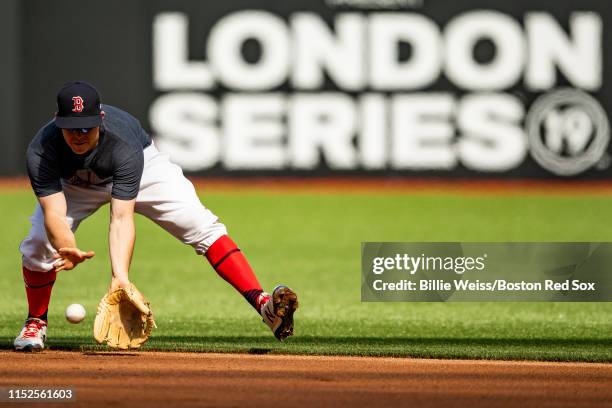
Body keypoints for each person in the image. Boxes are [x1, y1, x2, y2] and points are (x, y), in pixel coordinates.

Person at [14, 81, 298, 351]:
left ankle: (263, 305)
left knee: (202, 226)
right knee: (37, 243)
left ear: (100, 119)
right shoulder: (42, 151)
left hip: (144, 169)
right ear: (56, 120)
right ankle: (35, 322)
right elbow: (54, 212)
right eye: (71, 128)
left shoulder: (122, 144)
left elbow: (121, 218)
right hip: (73, 183)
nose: (78, 135)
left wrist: (120, 279)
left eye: (86, 127)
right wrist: (68, 246)